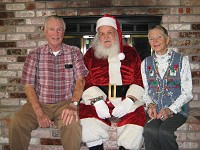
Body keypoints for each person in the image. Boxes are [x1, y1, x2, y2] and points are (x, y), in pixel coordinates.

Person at [8, 15, 88, 150]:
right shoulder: (34, 54)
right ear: (45, 31)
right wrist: (39, 112)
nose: (56, 34)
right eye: (52, 29)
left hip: (64, 104)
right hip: (40, 103)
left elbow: (81, 80)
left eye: (59, 30)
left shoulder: (74, 52)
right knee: (17, 122)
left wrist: (74, 104)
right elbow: (28, 86)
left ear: (64, 31)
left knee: (73, 126)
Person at [79, 14, 146, 150]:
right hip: (98, 101)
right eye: (102, 34)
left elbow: (139, 79)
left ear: (116, 34)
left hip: (126, 101)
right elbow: (85, 80)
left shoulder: (131, 53)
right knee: (87, 120)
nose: (106, 36)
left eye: (109, 32)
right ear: (98, 36)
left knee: (136, 123)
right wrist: (97, 101)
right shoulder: (90, 54)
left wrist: (129, 101)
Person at [141, 25, 193, 150]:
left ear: (167, 39)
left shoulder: (182, 60)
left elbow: (187, 92)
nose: (155, 41)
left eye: (159, 37)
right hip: (155, 111)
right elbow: (145, 91)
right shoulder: (145, 63)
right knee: (149, 130)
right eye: (151, 39)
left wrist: (170, 109)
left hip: (177, 110)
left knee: (164, 132)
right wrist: (150, 105)